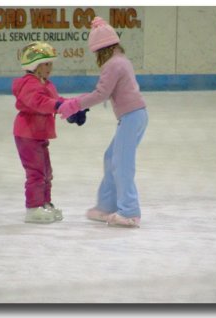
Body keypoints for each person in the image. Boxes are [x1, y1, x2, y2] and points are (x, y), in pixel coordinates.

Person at [57, 17, 148, 228]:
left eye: (96, 52)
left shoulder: (113, 64)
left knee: (122, 164)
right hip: (135, 115)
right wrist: (80, 102)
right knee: (111, 158)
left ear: (101, 49)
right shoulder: (121, 60)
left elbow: (101, 93)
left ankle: (130, 212)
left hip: (132, 116)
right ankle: (107, 206)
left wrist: (76, 104)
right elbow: (105, 93)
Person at [12, 41, 88, 224]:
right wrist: (59, 106)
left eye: (51, 63)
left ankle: (45, 203)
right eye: (46, 64)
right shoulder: (29, 84)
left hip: (38, 134)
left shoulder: (46, 83)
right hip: (27, 134)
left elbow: (56, 100)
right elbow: (39, 102)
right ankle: (33, 207)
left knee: (46, 172)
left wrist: (73, 108)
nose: (50, 68)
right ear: (34, 65)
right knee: (36, 172)